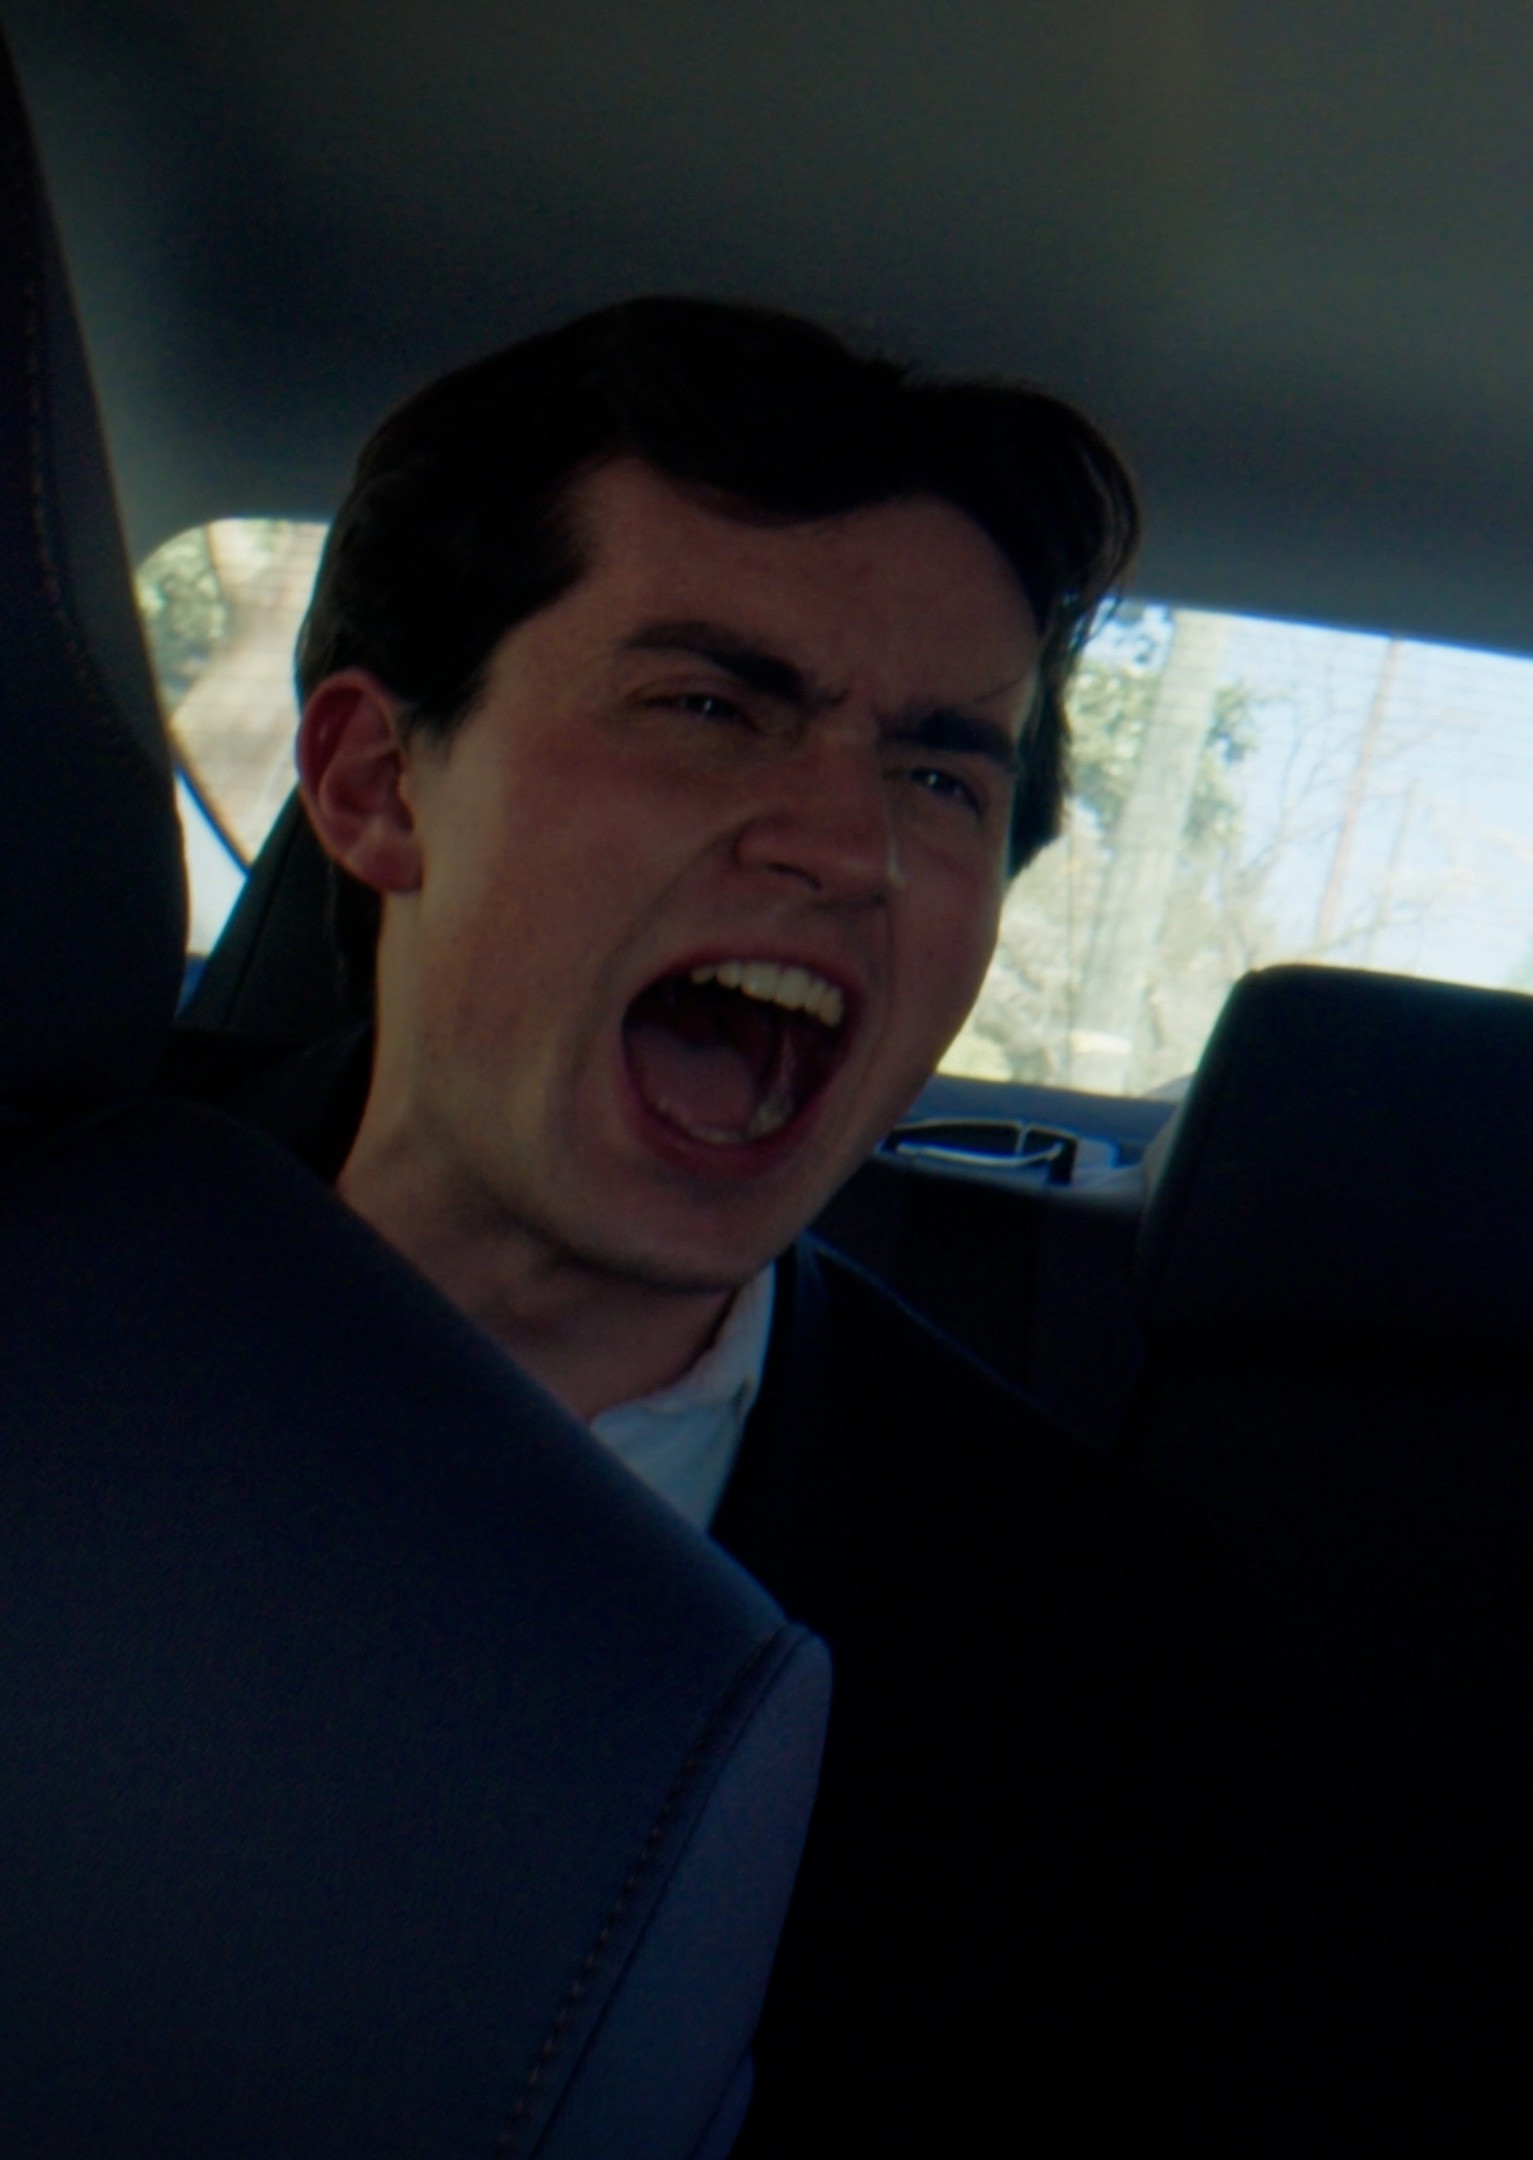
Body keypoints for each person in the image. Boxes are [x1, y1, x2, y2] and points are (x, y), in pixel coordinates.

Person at [160, 297, 1213, 2151]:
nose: (850, 848)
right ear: (376, 787)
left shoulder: (1078, 1642)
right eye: (711, 707)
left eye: (940, 774)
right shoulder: (51, 1285)